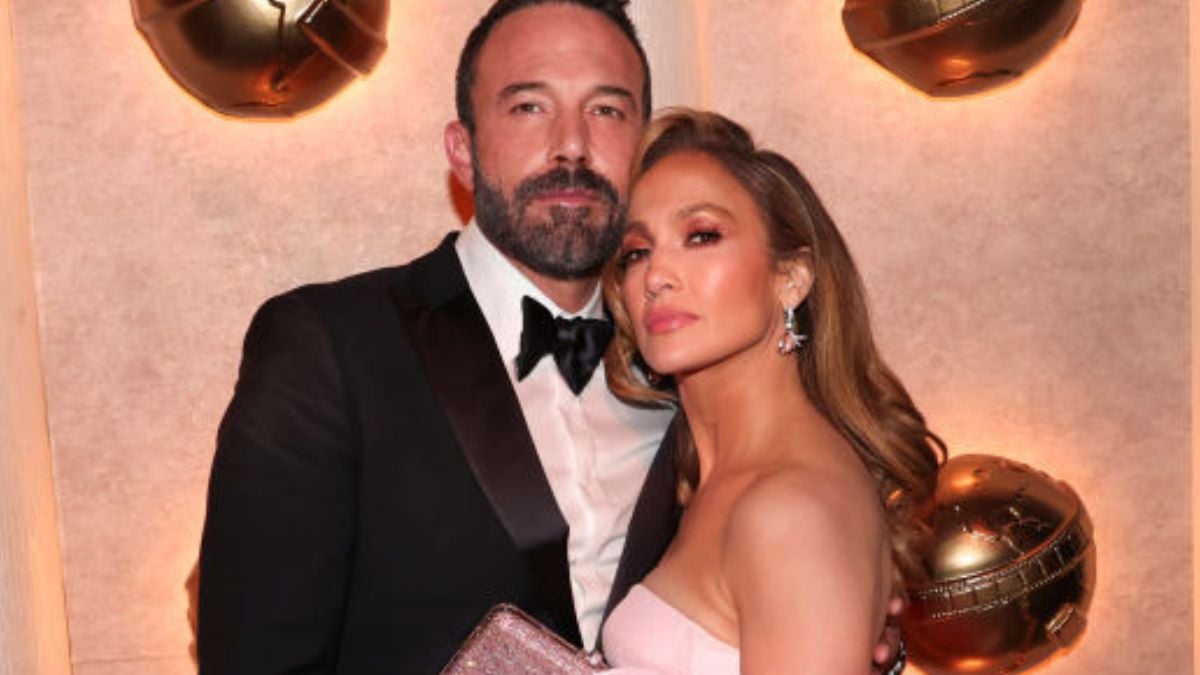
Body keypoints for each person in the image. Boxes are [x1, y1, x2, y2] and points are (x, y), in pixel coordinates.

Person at [197, 2, 904, 673]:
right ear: (463, 151)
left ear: (643, 142)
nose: (572, 144)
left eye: (606, 109)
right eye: (529, 106)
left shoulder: (688, 366)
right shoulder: (329, 348)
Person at [598, 109, 945, 674]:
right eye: (637, 251)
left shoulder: (788, 511)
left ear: (791, 277)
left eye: (701, 235)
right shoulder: (716, 478)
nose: (655, 274)